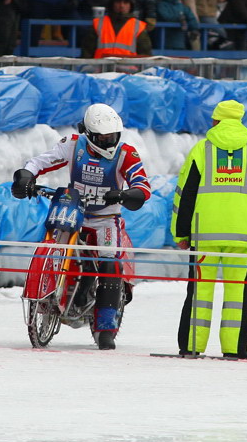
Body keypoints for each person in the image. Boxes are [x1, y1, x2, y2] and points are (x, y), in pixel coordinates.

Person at [10, 104, 152, 350]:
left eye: (112, 136)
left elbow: (143, 184)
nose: (108, 141)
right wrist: (26, 175)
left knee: (110, 263)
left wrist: (128, 194)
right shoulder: (73, 144)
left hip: (106, 218)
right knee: (51, 242)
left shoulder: (126, 153)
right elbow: (42, 161)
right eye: (102, 137)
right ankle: (49, 290)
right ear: (88, 133)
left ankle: (106, 328)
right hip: (73, 209)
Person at [172, 99, 247, 359]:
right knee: (237, 293)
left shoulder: (201, 149)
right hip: (242, 237)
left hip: (204, 235)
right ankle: (235, 349)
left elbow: (184, 195)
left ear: (216, 121)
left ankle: (192, 346)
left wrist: (181, 232)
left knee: (199, 291)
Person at [81, 0, 151, 59]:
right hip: (101, 69)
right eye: (118, 2)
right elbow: (87, 52)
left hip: (128, 69)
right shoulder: (98, 24)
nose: (121, 5)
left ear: (131, 5)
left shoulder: (138, 27)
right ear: (112, 4)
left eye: (125, 2)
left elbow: (145, 56)